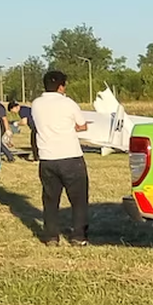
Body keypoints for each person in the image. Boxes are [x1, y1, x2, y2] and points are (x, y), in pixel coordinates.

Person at [31, 71, 90, 246]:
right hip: (70, 156)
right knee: (78, 200)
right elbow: (81, 125)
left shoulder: (36, 104)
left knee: (50, 199)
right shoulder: (68, 103)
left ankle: (51, 236)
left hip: (47, 159)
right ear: (61, 86)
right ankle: (78, 236)